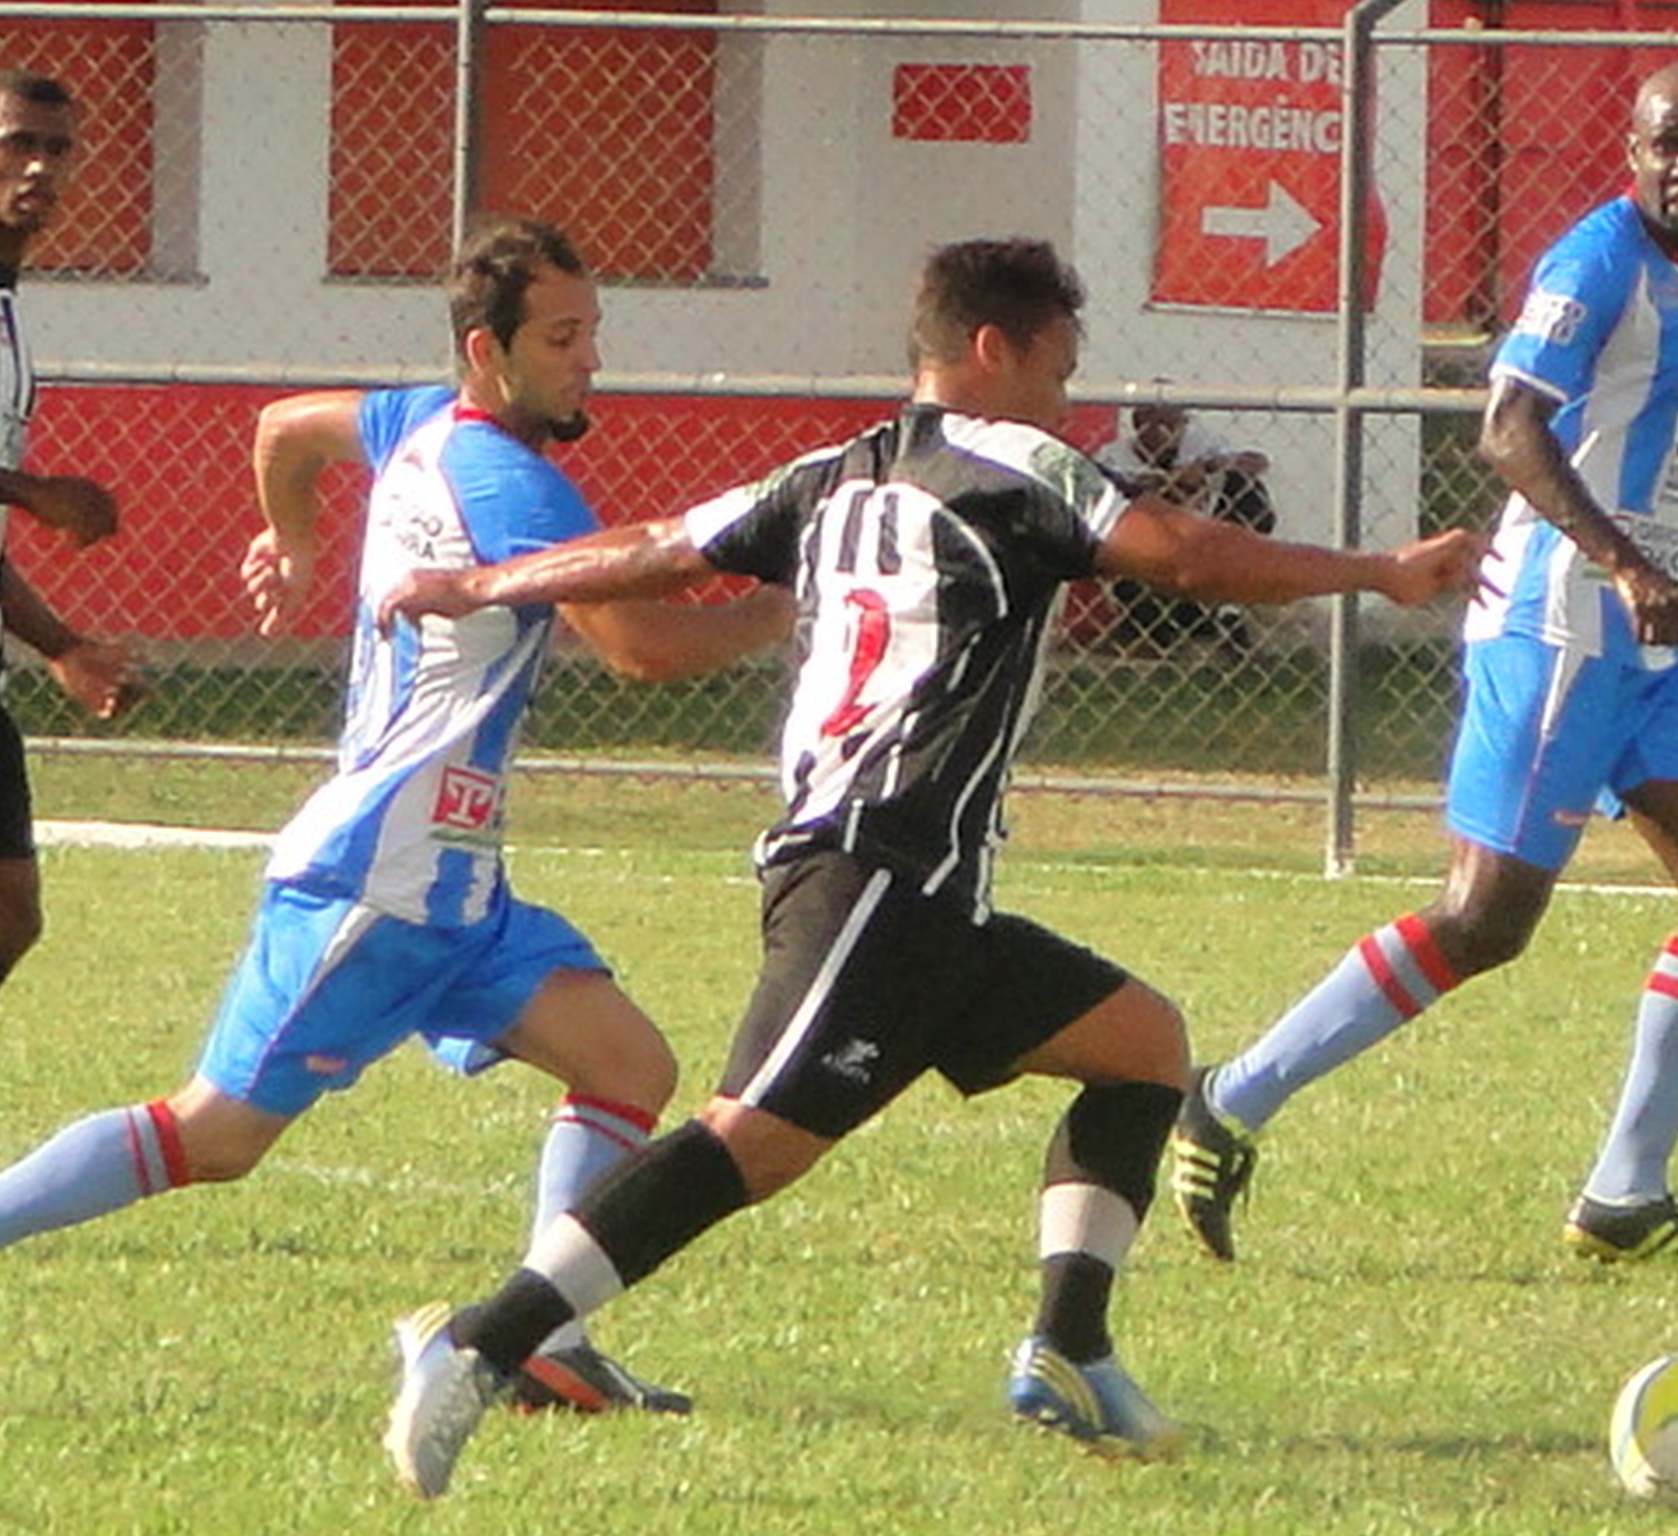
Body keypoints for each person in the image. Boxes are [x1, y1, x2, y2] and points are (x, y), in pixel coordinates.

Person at [371, 235, 1485, 1498]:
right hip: (872, 868)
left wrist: (476, 579)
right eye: (1059, 365)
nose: (1070, 398)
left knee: (1143, 1048)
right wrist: (1375, 573)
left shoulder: (827, 473)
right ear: (991, 350)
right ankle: (480, 1342)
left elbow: (657, 547)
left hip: (927, 891)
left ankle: (1069, 1352)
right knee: (754, 1144)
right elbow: (1179, 552)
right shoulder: (1018, 463)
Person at [0, 217, 794, 1414]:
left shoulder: (415, 419)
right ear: (489, 349)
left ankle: (542, 1342)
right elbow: (641, 650)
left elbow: (282, 430)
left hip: (457, 888)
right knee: (211, 1138)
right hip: (378, 880)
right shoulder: (505, 479)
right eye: (563, 338)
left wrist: (295, 536)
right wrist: (789, 607)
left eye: (594, 334)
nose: (590, 362)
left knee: (628, 1065)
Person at [1170, 61, 1678, 1268]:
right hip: (1556, 628)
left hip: (1650, 645)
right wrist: (1623, 562)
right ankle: (1228, 1099)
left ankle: (1622, 1195)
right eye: (1663, 147)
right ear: (1630, 151)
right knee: (1482, 922)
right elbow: (1506, 427)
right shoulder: (1594, 261)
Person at [0, 67, 143, 991]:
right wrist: (34, 492)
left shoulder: (11, 318)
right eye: (18, 142)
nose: (40, 167)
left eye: (58, 149)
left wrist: (60, 647)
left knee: (13, 914)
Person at [1096, 401, 1275, 651]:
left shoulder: (1197, 445)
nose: (1160, 432)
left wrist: (1207, 467)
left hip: (1202, 542)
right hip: (1148, 550)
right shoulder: (1113, 455)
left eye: (1169, 424)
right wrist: (1165, 484)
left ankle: (1224, 606)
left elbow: (1257, 462)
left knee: (1246, 489)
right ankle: (1166, 631)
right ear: (1138, 424)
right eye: (1151, 422)